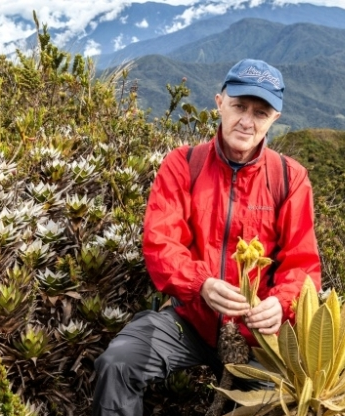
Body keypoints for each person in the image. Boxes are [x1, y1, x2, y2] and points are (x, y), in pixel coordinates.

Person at [91, 59, 321, 416]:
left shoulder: (290, 179)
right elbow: (160, 243)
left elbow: (303, 264)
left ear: (274, 118)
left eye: (260, 112)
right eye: (239, 106)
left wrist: (282, 303)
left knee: (283, 406)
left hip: (261, 340)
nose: (247, 121)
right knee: (118, 364)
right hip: (191, 320)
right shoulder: (183, 165)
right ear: (219, 102)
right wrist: (201, 284)